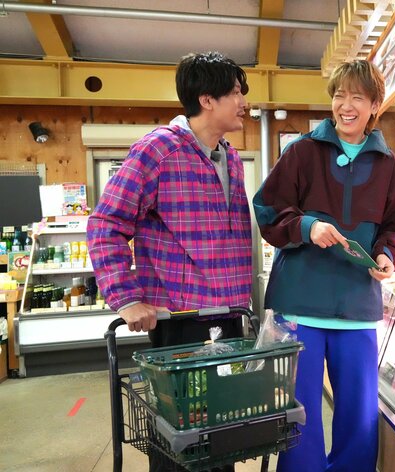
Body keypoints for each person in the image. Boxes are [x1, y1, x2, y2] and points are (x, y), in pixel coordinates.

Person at [87, 51, 252, 472]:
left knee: (223, 439)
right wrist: (126, 299)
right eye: (236, 92)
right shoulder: (157, 150)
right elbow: (106, 223)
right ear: (207, 99)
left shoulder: (230, 157)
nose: (244, 102)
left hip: (229, 318)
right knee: (180, 445)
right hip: (180, 323)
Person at [253, 60, 395, 472]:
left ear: (374, 105)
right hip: (299, 308)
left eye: (357, 97)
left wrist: (387, 254)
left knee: (360, 421)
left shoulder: (389, 167)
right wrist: (306, 226)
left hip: (357, 309)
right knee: (298, 421)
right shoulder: (301, 152)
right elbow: (268, 210)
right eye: (339, 95)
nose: (346, 106)